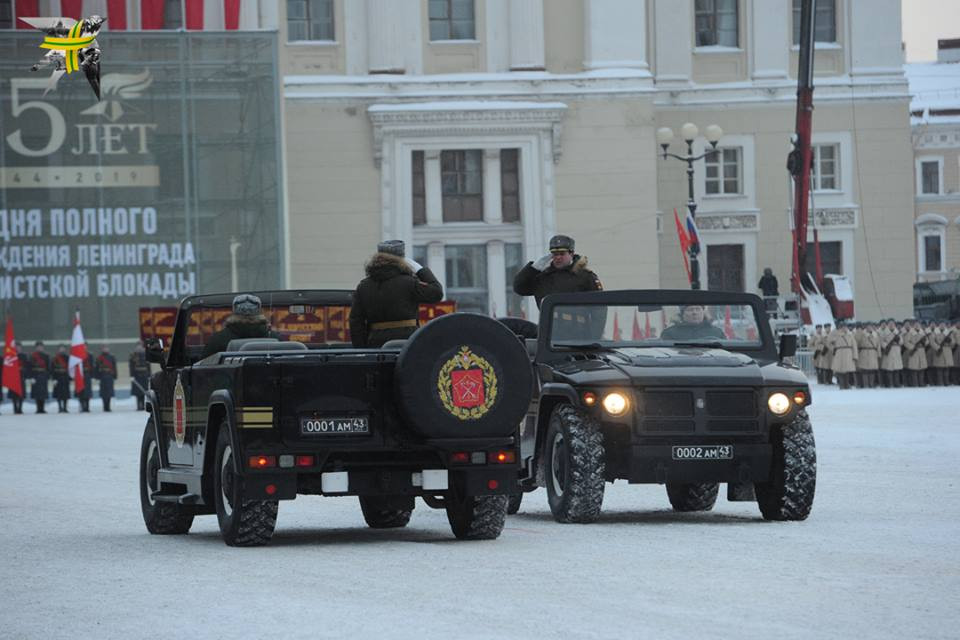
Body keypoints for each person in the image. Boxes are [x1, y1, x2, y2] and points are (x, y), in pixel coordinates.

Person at [349, 240, 444, 348]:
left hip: (375, 344)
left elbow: (356, 321)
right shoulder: (409, 283)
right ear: (402, 260)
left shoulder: (364, 286)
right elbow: (437, 293)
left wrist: (361, 349)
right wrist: (420, 269)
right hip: (407, 343)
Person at [513, 235, 603, 309]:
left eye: (562, 254)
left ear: (571, 254)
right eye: (555, 254)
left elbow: (599, 307)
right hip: (550, 327)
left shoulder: (585, 276)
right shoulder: (543, 277)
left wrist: (594, 330)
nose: (558, 257)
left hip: (578, 328)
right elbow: (519, 288)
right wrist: (533, 269)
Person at [201, 294, 275, 358]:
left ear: (234, 311)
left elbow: (202, 369)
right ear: (259, 311)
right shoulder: (274, 338)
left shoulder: (217, 340)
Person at [660, 305, 726, 341]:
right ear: (682, 314)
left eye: (698, 309)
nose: (694, 313)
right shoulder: (670, 333)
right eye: (690, 310)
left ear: (703, 312)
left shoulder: (717, 332)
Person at [828, 323, 858, 390]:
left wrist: (855, 355)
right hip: (839, 354)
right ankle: (841, 385)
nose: (844, 329)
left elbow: (854, 346)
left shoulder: (850, 335)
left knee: (847, 371)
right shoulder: (836, 335)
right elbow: (829, 342)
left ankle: (847, 384)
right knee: (840, 371)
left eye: (845, 327)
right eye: (843, 327)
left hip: (848, 354)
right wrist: (833, 349)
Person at [878, 320, 903, 388]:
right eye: (890, 324)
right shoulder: (884, 332)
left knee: (896, 369)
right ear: (887, 325)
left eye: (892, 324)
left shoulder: (897, 332)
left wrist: (898, 340)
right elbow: (881, 341)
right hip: (888, 351)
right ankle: (890, 383)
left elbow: (901, 342)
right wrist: (886, 345)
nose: (891, 325)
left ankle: (896, 383)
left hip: (896, 350)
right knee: (889, 369)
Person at [129, 341, 152, 411]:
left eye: (140, 345)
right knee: (137, 392)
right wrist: (131, 375)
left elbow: (148, 365)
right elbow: (131, 366)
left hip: (144, 374)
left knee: (143, 392)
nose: (139, 347)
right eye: (138, 345)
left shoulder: (146, 354)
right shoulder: (133, 355)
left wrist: (149, 374)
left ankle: (142, 405)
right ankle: (139, 405)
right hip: (137, 375)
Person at [856, 323, 880, 389]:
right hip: (864, 352)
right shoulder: (862, 334)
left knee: (872, 369)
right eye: (868, 327)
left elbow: (878, 344)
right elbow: (857, 342)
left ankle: (871, 384)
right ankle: (865, 384)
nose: (869, 328)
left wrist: (879, 354)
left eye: (870, 327)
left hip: (873, 352)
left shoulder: (875, 335)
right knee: (864, 370)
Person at [29, 341, 51, 414]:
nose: (39, 348)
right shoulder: (32, 356)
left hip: (43, 375)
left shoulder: (46, 356)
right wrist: (31, 377)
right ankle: (38, 408)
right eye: (38, 347)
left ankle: (42, 408)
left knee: (43, 393)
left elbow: (48, 367)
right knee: (37, 393)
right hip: (35, 375)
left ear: (43, 347)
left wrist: (48, 376)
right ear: (36, 348)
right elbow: (30, 367)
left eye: (41, 347)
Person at [94, 345, 117, 412]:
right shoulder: (99, 358)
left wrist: (115, 376)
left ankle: (108, 407)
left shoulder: (112, 357)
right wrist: (97, 377)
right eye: (104, 348)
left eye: (106, 348)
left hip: (109, 376)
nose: (105, 350)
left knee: (109, 393)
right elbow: (96, 368)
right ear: (102, 349)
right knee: (103, 393)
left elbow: (114, 367)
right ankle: (104, 406)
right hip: (102, 377)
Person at [7, 341, 28, 414]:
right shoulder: (11, 356)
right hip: (13, 377)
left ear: (21, 348)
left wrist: (25, 374)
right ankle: (15, 408)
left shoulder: (24, 356)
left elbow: (27, 366)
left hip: (21, 376)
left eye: (19, 347)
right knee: (14, 394)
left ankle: (20, 408)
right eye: (16, 347)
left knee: (21, 394)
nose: (17, 348)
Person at [51, 345, 71, 413]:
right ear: (58, 350)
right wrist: (54, 379)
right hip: (58, 377)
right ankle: (60, 407)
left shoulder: (68, 358)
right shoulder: (55, 358)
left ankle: (65, 408)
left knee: (65, 394)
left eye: (63, 349)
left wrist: (70, 377)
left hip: (65, 377)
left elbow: (70, 368)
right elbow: (52, 369)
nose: (62, 350)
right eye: (60, 349)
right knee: (58, 394)